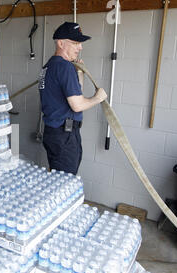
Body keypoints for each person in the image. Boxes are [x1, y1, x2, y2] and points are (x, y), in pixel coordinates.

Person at [39, 22, 108, 175]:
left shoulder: (50, 65)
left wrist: (79, 74)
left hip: (54, 133)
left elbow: (75, 96)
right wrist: (98, 98)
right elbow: (77, 105)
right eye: (75, 43)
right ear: (60, 43)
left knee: (58, 178)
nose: (80, 47)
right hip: (64, 136)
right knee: (65, 183)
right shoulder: (64, 67)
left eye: (80, 43)